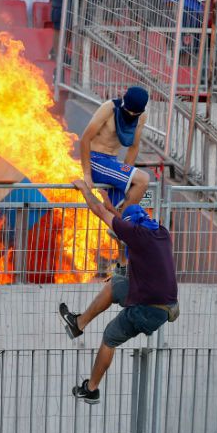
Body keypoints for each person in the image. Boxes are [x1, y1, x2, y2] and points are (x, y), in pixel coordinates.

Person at [59, 180, 179, 405]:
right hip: (160, 301)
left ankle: (92, 389)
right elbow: (123, 225)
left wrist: (86, 190)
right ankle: (78, 324)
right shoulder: (159, 231)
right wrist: (112, 208)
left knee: (109, 338)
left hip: (148, 310)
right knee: (115, 284)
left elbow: (99, 212)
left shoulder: (136, 235)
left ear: (131, 227)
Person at [78, 85, 151, 270]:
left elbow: (133, 147)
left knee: (125, 214)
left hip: (113, 163)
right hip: (96, 160)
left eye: (136, 113)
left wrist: (127, 174)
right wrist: (87, 173)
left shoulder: (141, 117)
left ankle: (123, 266)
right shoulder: (108, 108)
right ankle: (118, 226)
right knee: (143, 180)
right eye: (129, 112)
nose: (132, 115)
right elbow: (85, 138)